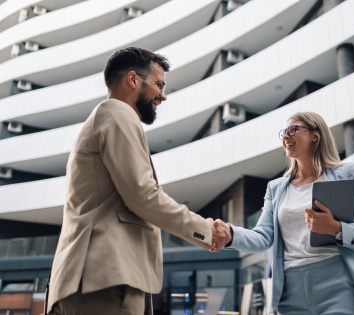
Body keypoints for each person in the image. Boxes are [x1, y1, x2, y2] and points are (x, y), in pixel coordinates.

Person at [47, 47, 230, 315]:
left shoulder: (104, 118)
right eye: (159, 84)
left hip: (96, 279)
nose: (163, 95)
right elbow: (143, 195)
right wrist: (205, 229)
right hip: (105, 280)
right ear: (133, 79)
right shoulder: (117, 113)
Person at [211, 112, 354, 315]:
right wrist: (230, 234)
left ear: (316, 135)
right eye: (283, 133)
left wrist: (337, 229)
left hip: (340, 286)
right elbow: (262, 237)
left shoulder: (347, 174)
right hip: (290, 292)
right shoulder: (275, 188)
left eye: (293, 129)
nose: (285, 136)